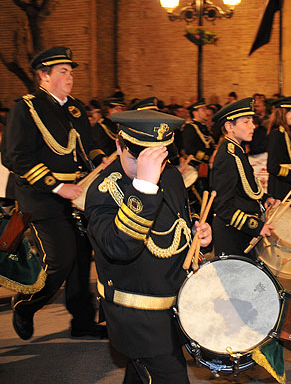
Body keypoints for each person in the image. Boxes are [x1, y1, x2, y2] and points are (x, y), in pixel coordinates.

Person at [84, 108, 212, 383]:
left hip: (174, 301)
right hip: (138, 315)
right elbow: (119, 248)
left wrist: (196, 233)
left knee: (143, 374)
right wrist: (142, 186)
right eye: (141, 158)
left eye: (159, 157)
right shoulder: (102, 191)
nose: (152, 166)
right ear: (119, 145)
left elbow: (175, 224)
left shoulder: (171, 176)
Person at [1, 46, 107, 340]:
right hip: (40, 196)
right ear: (43, 76)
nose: (70, 77)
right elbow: (13, 156)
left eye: (71, 72)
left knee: (81, 260)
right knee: (61, 258)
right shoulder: (26, 108)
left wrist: (102, 162)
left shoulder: (75, 107)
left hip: (75, 194)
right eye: (63, 72)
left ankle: (83, 322)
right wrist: (57, 186)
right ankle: (25, 304)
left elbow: (89, 146)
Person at [209, 98, 278, 257]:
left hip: (241, 232)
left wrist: (264, 198)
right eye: (246, 122)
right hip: (232, 235)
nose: (252, 126)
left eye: (252, 121)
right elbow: (223, 207)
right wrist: (255, 226)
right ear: (229, 127)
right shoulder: (227, 156)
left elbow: (242, 188)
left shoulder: (236, 150)